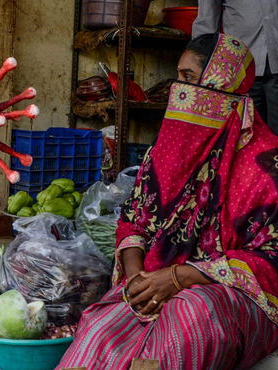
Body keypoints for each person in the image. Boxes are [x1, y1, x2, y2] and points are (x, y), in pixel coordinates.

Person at [57, 33, 278, 370]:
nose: (180, 91)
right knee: (100, 328)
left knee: (189, 314)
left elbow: (270, 261)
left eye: (189, 79)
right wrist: (134, 277)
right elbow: (133, 220)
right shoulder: (167, 151)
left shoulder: (266, 165)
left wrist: (183, 277)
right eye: (179, 78)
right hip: (156, 280)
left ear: (222, 84)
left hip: (231, 297)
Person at [193, 0, 278, 130]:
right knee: (247, 135)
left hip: (275, 61)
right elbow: (206, 22)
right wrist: (199, 66)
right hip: (241, 67)